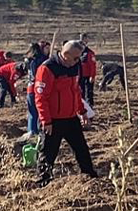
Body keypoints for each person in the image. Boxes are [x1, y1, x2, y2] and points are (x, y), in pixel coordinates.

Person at [34, 40, 98, 186]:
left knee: (81, 149)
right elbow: (41, 97)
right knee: (48, 153)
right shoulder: (47, 69)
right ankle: (43, 181)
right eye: (76, 58)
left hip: (70, 118)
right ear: (66, 54)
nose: (78, 61)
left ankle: (90, 177)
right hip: (53, 121)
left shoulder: (75, 67)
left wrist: (82, 112)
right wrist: (46, 121)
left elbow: (76, 92)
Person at [23, 42, 47, 139]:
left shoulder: (28, 60)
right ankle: (35, 131)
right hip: (38, 87)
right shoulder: (40, 60)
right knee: (38, 110)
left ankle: (31, 130)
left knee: (32, 111)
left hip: (30, 87)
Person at [78, 34, 97, 106]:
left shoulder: (89, 53)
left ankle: (90, 106)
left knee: (89, 93)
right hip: (80, 76)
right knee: (80, 92)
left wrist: (92, 76)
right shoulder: (77, 53)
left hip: (88, 76)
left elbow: (93, 65)